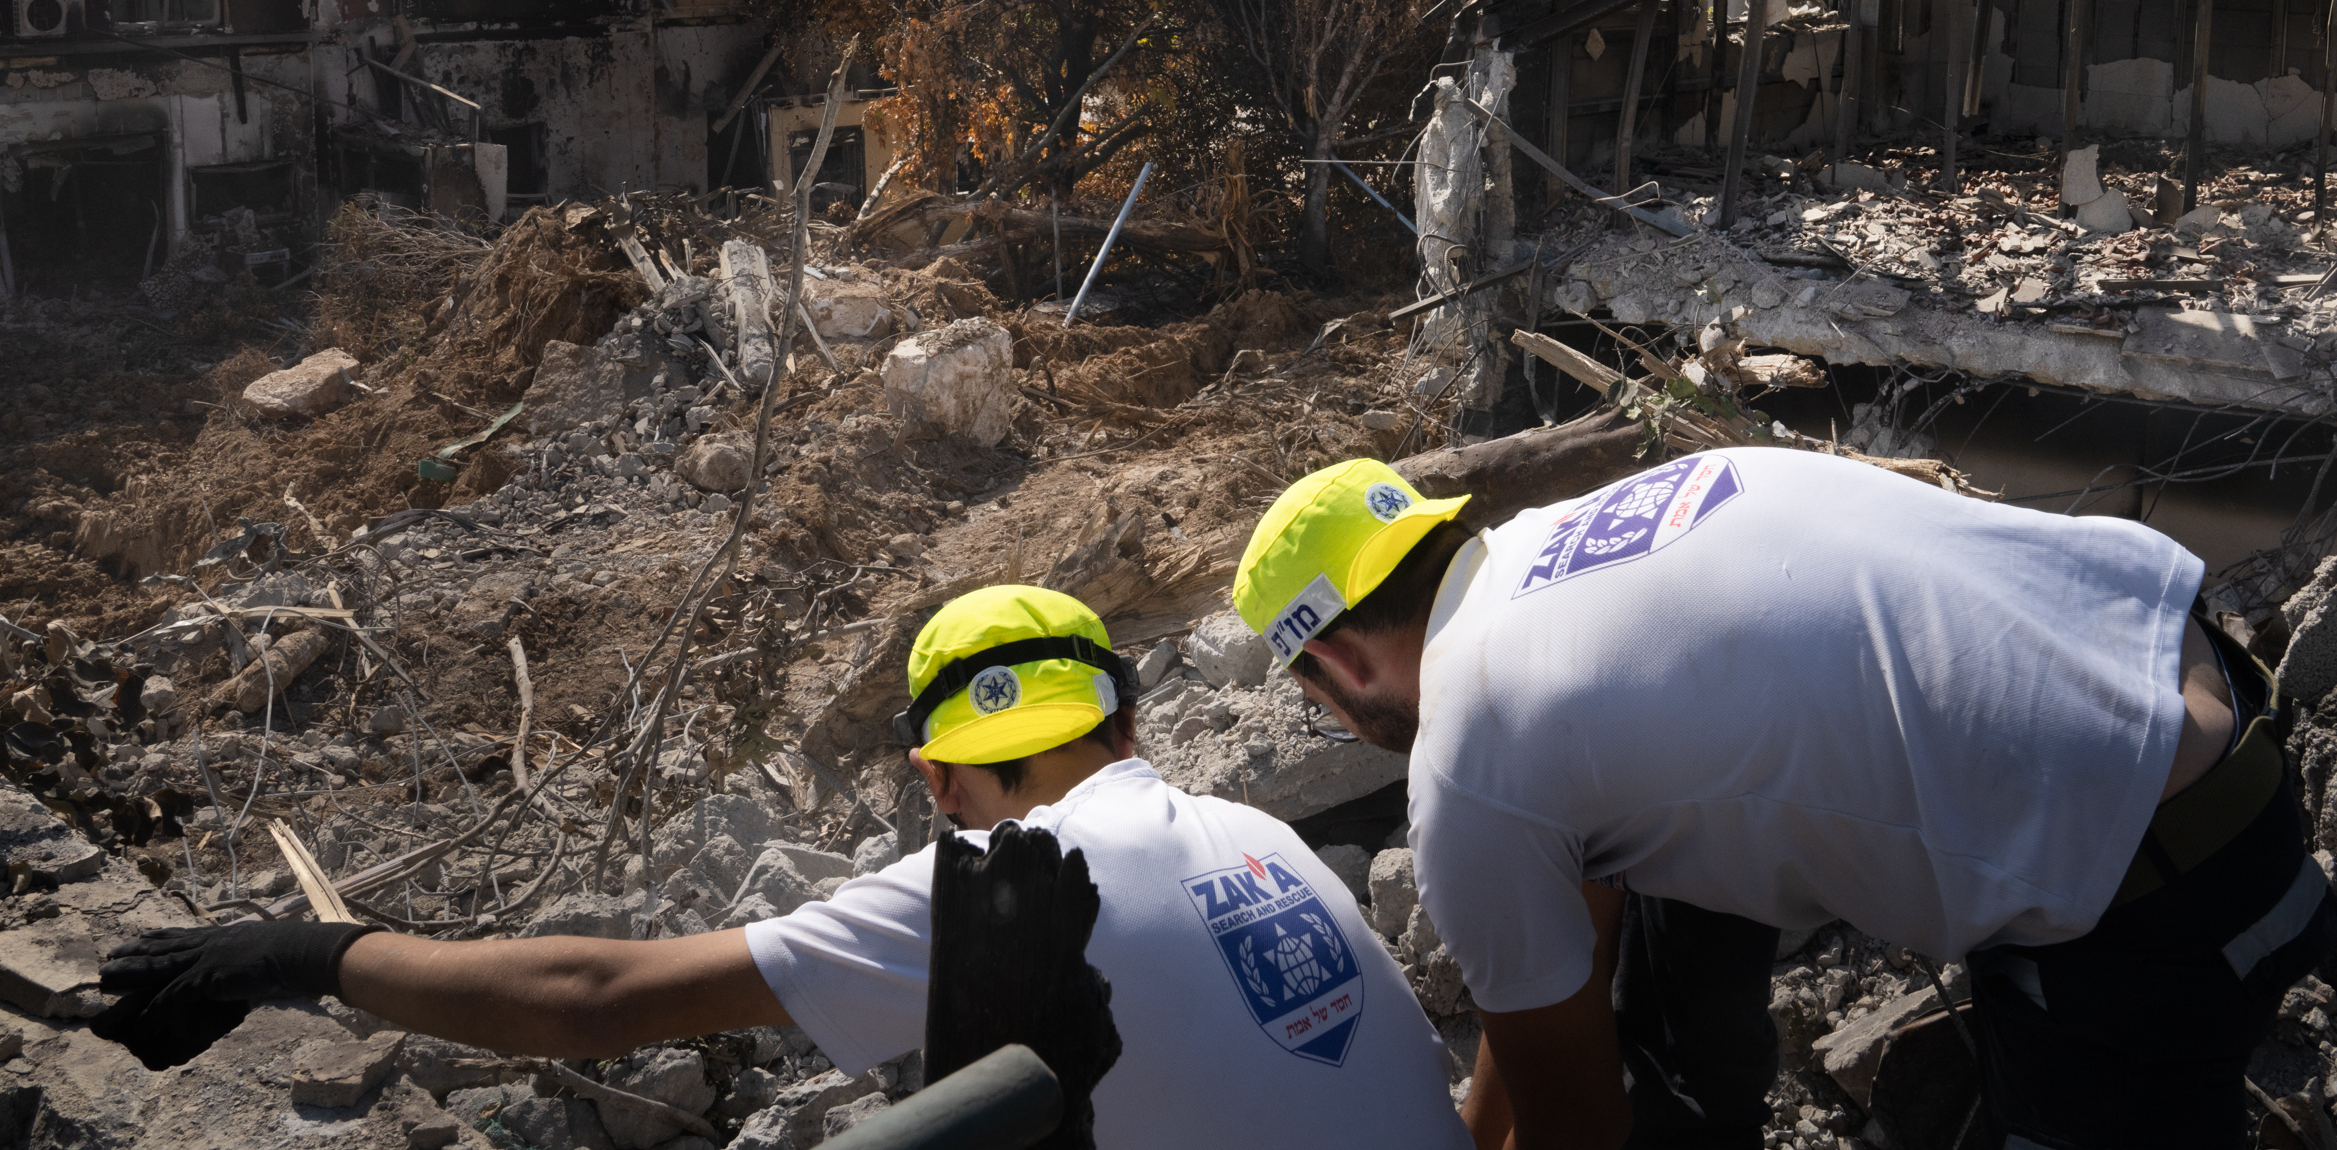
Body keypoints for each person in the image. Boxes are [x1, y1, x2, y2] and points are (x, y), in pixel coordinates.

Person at [1228, 450, 2337, 1150]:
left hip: (2151, 904)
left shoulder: (1466, 756)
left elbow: (1576, 1123)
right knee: (1671, 883)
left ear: (1337, 662)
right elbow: (1578, 932)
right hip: (2221, 716)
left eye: (1321, 703)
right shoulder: (1579, 543)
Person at [102, 585, 1471, 1149]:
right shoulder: (1270, 833)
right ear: (1128, 719)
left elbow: (590, 993)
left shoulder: (1007, 876)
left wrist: (289, 951)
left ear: (935, 780)